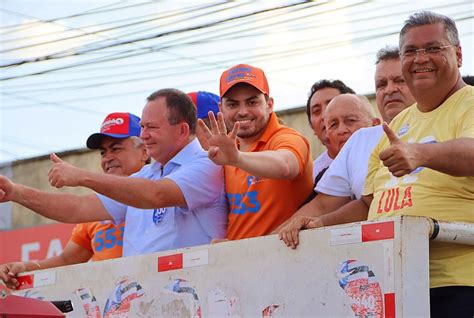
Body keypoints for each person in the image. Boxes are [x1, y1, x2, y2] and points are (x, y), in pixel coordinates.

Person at [286, 11, 474, 316]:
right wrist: (321, 225)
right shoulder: (397, 124)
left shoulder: (470, 103)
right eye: (410, 51)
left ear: (458, 55)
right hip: (389, 281)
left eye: (433, 48)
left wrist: (422, 154)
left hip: (455, 283)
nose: (420, 58)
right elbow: (368, 203)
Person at [0, 89, 228, 257]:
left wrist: (81, 176)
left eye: (152, 128)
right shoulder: (146, 176)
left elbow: (157, 195)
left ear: (182, 130)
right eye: (142, 127)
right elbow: (78, 208)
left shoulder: (207, 165)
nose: (144, 135)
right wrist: (17, 193)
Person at [277, 46, 415, 246]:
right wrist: (258, 245)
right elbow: (327, 205)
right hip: (375, 259)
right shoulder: (361, 140)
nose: (390, 89)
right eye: (381, 84)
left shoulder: (442, 121)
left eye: (399, 80)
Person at [0, 112, 149, 289]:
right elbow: (67, 259)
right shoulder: (98, 208)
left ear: (145, 152)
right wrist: (25, 267)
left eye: (116, 148)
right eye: (103, 152)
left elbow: (77, 207)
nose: (107, 157)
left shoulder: (161, 191)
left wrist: (17, 192)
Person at [197, 63, 313, 240]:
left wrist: (237, 158)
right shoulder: (226, 148)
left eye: (252, 102)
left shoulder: (286, 137)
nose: (243, 112)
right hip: (240, 260)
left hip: (286, 259)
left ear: (269, 104)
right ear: (221, 109)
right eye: (233, 104)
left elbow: (285, 165)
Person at [306, 80, 355, 179]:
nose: (325, 115)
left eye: (331, 105)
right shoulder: (311, 178)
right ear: (312, 128)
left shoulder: (383, 155)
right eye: (316, 111)